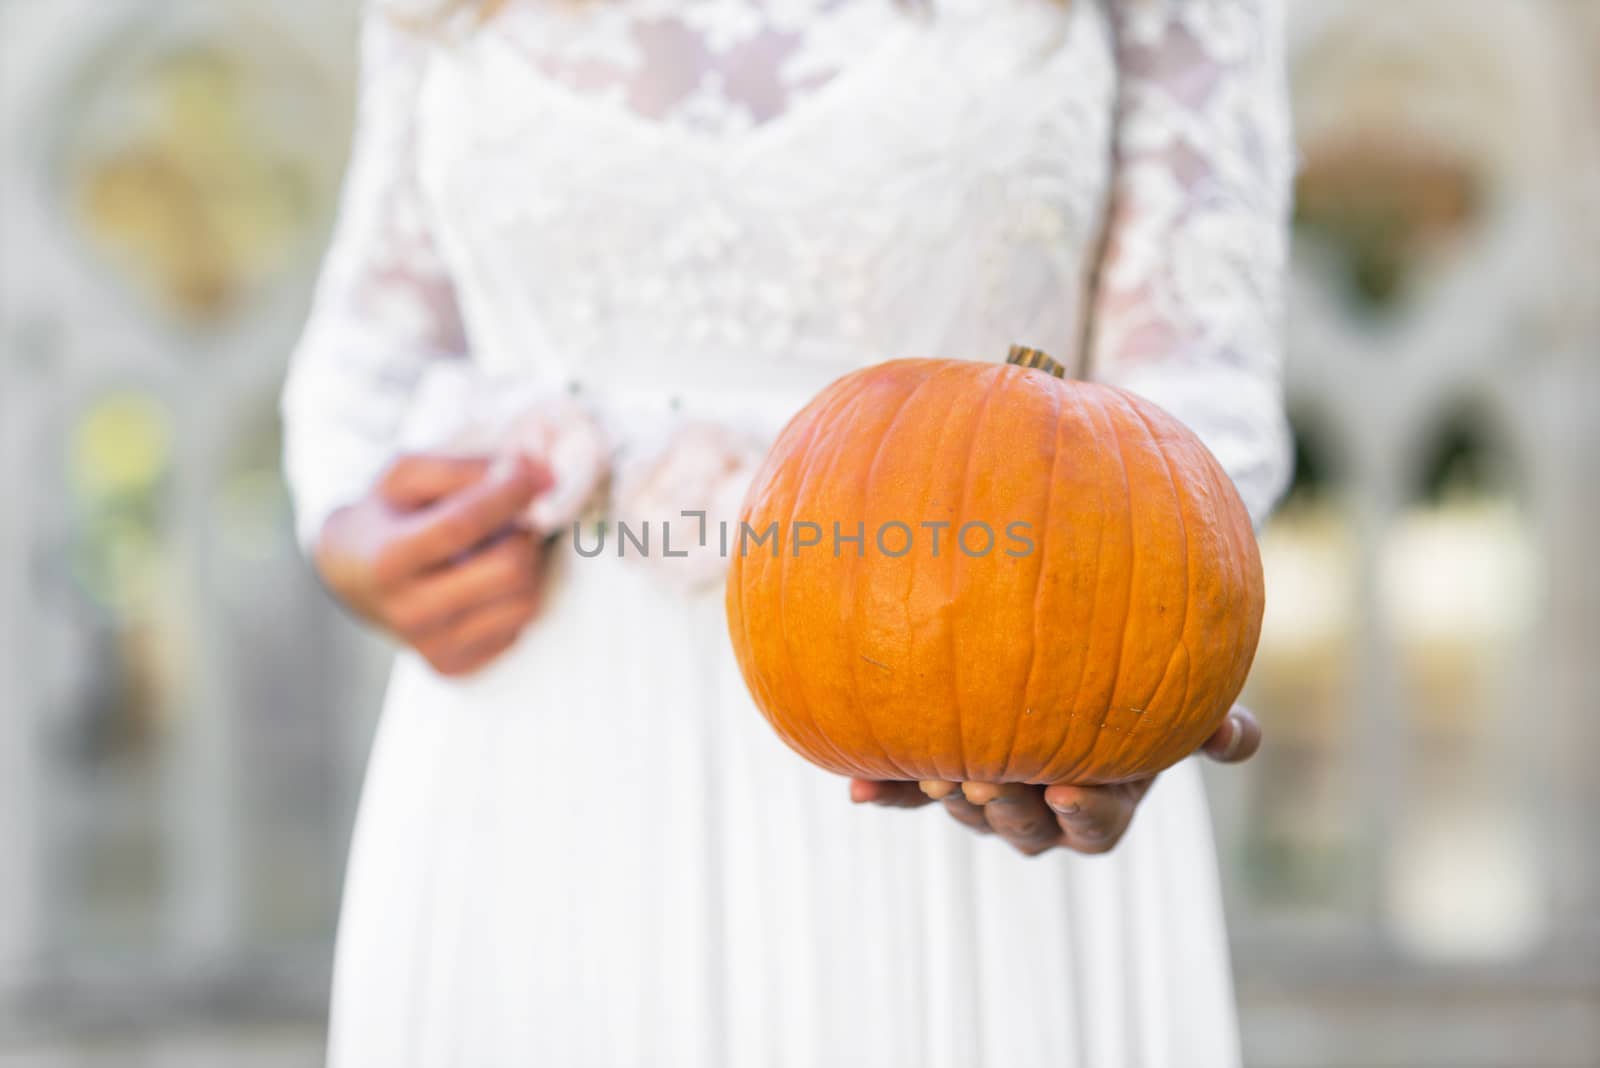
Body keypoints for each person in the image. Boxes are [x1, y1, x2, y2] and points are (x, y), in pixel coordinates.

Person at [282, 0, 1294, 1063]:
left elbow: (1194, 389)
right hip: (533, 753)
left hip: (981, 717)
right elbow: (372, 341)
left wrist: (1136, 673)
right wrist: (351, 524)